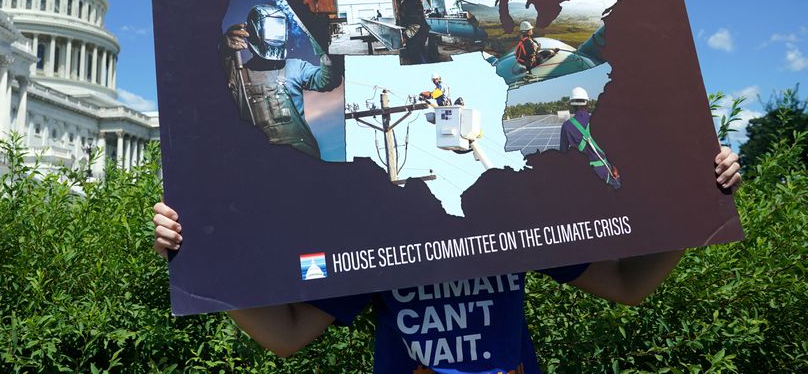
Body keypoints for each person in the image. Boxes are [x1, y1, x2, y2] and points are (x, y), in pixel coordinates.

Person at [153, 150, 742, 373]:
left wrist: (698, 202)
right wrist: (199, 259)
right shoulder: (371, 242)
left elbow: (627, 283)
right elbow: (285, 334)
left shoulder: (510, 224)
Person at [223, 3, 341, 159]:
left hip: (301, 156)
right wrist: (224, 53)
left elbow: (328, 80)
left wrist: (320, 41)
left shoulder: (296, 67)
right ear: (254, 32)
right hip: (260, 160)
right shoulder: (238, 74)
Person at [560, 86, 622, 190]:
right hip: (605, 173)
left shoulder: (567, 126)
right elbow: (611, 148)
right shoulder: (599, 121)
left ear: (572, 105)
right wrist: (615, 168)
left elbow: (563, 155)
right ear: (587, 103)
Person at [393, 0, 430, 65]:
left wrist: (404, 37)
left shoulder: (413, 1)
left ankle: (423, 68)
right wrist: (398, 29)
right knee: (411, 52)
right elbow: (399, 16)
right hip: (410, 31)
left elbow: (416, 23)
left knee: (417, 53)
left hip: (419, 31)